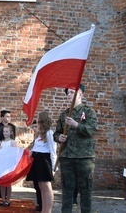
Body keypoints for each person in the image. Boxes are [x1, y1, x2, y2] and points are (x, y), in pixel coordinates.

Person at [53, 84, 98, 213]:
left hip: (84, 158)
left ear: (81, 94)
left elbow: (92, 130)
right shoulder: (64, 115)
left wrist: (76, 124)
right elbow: (56, 133)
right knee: (67, 189)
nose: (69, 95)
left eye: (72, 92)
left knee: (85, 189)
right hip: (67, 157)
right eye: (68, 93)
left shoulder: (89, 112)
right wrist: (59, 138)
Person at [26, 112, 57, 213]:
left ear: (42, 121)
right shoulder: (39, 133)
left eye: (38, 120)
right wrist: (31, 152)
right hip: (37, 160)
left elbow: (53, 151)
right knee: (41, 186)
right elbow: (36, 147)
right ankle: (43, 209)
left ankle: (48, 210)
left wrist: (54, 168)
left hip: (44, 161)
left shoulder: (49, 133)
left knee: (46, 186)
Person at [0, 125, 17, 207]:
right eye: (4, 132)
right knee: (2, 182)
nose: (5, 133)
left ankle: (8, 200)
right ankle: (3, 199)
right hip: (2, 164)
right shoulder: (0, 143)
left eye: (7, 132)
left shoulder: (13, 142)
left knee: (8, 183)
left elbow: (14, 153)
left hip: (9, 165)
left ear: (11, 132)